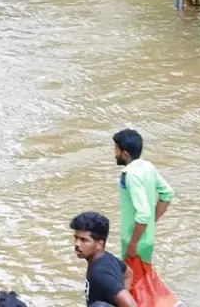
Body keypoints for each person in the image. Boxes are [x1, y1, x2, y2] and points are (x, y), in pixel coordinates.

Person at [113, 129, 174, 265]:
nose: (115, 154)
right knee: (143, 279)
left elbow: (143, 213)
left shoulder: (130, 175)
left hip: (133, 238)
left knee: (132, 281)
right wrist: (152, 222)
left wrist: (133, 243)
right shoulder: (148, 166)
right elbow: (167, 193)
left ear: (125, 153)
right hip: (146, 237)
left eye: (116, 150)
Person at [70, 211, 138, 307]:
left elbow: (130, 304)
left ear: (99, 244)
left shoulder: (100, 275)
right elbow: (128, 273)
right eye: (76, 238)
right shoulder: (107, 257)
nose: (77, 244)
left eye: (83, 240)